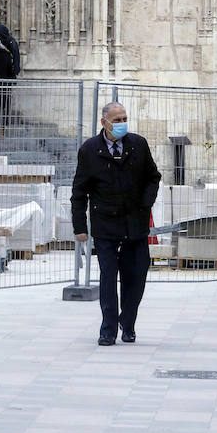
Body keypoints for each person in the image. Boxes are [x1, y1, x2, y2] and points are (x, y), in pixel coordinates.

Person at [70, 101, 161, 346]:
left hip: (135, 223)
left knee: (137, 275)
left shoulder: (138, 144)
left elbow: (153, 177)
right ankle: (108, 329)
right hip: (105, 225)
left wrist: (146, 203)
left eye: (124, 119)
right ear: (104, 122)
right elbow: (79, 191)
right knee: (108, 278)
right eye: (117, 120)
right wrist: (80, 226)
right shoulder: (89, 150)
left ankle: (128, 322)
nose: (121, 124)